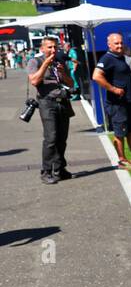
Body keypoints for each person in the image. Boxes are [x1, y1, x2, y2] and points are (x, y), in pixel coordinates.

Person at [25, 36, 75, 185]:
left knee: (62, 138)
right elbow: (34, 81)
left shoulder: (59, 62)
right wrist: (46, 64)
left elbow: (71, 83)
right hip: (47, 103)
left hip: (63, 102)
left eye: (55, 47)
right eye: (50, 47)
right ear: (42, 48)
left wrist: (63, 74)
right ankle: (46, 171)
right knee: (51, 138)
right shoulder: (35, 61)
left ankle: (60, 169)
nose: (53, 50)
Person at [93, 32, 131, 169]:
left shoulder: (121, 57)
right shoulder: (107, 58)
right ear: (109, 44)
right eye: (116, 43)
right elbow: (96, 76)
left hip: (127, 101)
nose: (120, 45)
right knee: (120, 133)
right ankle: (122, 160)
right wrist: (113, 89)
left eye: (121, 43)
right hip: (116, 104)